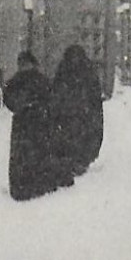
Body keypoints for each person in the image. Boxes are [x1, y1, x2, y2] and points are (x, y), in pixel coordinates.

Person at [1, 52, 68, 200]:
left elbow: (8, 98)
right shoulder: (42, 80)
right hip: (40, 122)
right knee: (39, 154)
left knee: (21, 156)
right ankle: (38, 186)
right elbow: (53, 99)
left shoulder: (15, 81)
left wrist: (21, 107)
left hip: (22, 124)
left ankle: (20, 188)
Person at [51, 44, 104, 178]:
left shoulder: (63, 70)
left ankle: (73, 161)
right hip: (80, 115)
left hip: (72, 116)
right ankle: (78, 161)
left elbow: (56, 92)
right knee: (79, 137)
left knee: (72, 137)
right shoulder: (88, 71)